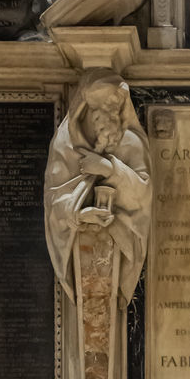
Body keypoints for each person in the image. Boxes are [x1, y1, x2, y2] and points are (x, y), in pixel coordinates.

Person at [44, 70, 152, 310]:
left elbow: (143, 193)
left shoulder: (131, 142)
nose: (106, 115)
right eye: (99, 109)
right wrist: (79, 215)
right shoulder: (67, 143)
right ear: (85, 106)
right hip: (80, 244)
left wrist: (111, 169)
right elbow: (54, 198)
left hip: (118, 243)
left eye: (112, 106)